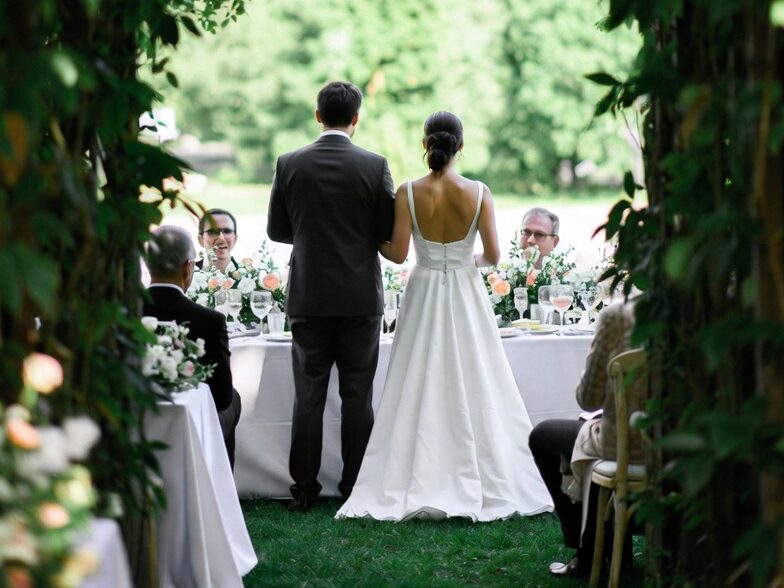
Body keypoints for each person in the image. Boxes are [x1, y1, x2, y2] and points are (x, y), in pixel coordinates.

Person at [335, 111, 552, 521]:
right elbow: (493, 255)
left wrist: (367, 236)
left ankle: (413, 471)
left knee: (417, 375)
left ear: (425, 145)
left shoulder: (408, 192)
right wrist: (466, 260)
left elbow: (398, 253)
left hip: (423, 289)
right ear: (461, 146)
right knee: (476, 374)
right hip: (466, 289)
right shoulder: (479, 192)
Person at [267, 81, 395, 512]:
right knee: (358, 395)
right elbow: (386, 233)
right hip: (360, 296)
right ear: (355, 119)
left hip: (309, 295)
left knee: (309, 395)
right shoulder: (375, 165)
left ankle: (303, 489)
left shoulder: (289, 163)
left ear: (317, 115)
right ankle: (355, 486)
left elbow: (276, 230)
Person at [528, 300, 644, 577]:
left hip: (624, 445)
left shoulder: (618, 316)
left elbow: (589, 399)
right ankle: (612, 549)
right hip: (683, 445)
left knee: (543, 435)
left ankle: (587, 550)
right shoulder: (710, 314)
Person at [144, 225, 242, 468]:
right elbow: (221, 398)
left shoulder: (124, 312)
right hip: (192, 422)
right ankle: (221, 487)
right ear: (188, 267)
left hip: (137, 414)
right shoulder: (210, 320)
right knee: (234, 399)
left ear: (148, 265)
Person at [197, 208, 240, 274]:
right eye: (213, 232)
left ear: (235, 239)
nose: (221, 238)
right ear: (200, 239)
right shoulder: (186, 275)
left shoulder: (251, 278)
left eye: (227, 231)